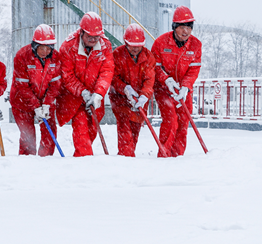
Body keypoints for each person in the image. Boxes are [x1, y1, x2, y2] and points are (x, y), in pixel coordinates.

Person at [56, 12, 114, 157]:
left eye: (97, 36)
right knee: (81, 132)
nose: (94, 40)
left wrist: (98, 94)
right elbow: (67, 75)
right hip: (74, 99)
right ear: (81, 32)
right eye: (90, 37)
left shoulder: (105, 46)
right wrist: (82, 92)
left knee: (91, 132)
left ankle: (80, 160)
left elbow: (107, 71)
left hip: (95, 99)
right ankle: (84, 165)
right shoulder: (68, 47)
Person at [151, 6, 202, 157]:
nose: (185, 31)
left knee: (183, 121)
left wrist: (186, 87)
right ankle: (165, 154)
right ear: (174, 27)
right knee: (171, 120)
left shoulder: (195, 45)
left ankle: (178, 156)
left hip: (184, 90)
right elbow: (154, 66)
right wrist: (166, 80)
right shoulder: (161, 42)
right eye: (182, 27)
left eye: (188, 27)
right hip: (164, 89)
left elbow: (193, 70)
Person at [10, 24, 62, 156]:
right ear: (34, 45)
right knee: (28, 138)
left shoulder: (56, 57)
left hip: (45, 102)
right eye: (42, 47)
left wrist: (46, 104)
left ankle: (46, 160)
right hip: (22, 102)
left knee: (49, 133)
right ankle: (28, 164)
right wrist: (35, 106)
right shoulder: (22, 56)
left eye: (48, 47)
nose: (45, 51)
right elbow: (22, 86)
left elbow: (55, 84)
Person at [108, 24, 155, 157]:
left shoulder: (148, 57)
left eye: (138, 45)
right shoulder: (117, 54)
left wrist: (144, 96)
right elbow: (113, 77)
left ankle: (128, 157)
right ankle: (126, 157)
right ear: (125, 43)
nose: (135, 48)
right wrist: (125, 88)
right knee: (125, 129)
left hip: (140, 100)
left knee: (134, 131)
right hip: (120, 99)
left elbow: (149, 80)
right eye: (132, 45)